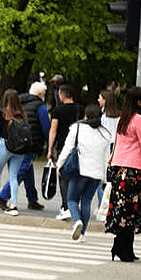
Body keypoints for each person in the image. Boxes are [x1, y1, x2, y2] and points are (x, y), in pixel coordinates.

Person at [105, 87, 141, 262]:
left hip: (120, 170)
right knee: (133, 210)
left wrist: (112, 161)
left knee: (124, 211)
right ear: (138, 102)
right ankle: (122, 248)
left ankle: (124, 247)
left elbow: (117, 143)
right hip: (134, 172)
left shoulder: (124, 119)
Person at [56, 105, 111, 241]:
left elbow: (67, 148)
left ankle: (77, 221)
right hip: (96, 174)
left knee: (72, 199)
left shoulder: (77, 128)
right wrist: (104, 179)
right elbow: (106, 159)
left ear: (85, 115)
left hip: (80, 170)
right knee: (86, 202)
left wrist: (59, 165)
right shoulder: (105, 134)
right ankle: (82, 234)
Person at [0, 81, 51, 210]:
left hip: (14, 141)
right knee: (21, 170)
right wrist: (50, 143)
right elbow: (45, 126)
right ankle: (3, 197)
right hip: (30, 142)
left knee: (27, 170)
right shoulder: (40, 106)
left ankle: (32, 199)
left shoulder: (18, 101)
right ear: (40, 94)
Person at [0, 89, 28, 216]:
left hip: (4, 145)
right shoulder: (22, 114)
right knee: (13, 177)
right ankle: (14, 204)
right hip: (20, 149)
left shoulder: (2, 113)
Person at [48, 84, 85, 220]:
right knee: (76, 176)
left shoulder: (58, 110)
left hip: (63, 146)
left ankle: (65, 206)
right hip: (80, 147)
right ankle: (74, 204)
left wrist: (50, 148)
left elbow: (53, 130)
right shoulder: (81, 109)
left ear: (62, 95)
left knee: (63, 176)